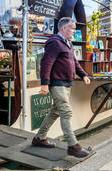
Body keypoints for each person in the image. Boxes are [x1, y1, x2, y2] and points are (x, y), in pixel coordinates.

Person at [32, 17, 91, 158]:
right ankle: (73, 146)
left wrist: (83, 74)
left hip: (66, 84)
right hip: (57, 84)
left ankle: (39, 138)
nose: (75, 31)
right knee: (66, 112)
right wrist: (45, 84)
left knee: (55, 111)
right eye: (73, 28)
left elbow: (74, 62)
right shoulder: (54, 42)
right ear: (64, 28)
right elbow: (46, 64)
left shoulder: (67, 43)